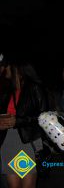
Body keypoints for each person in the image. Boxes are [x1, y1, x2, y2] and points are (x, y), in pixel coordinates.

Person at [0, 60, 48, 188]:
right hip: (8, 141)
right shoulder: (6, 90)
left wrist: (18, 121)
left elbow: (44, 117)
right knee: (13, 186)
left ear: (17, 68)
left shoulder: (33, 88)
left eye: (7, 66)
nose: (4, 69)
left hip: (25, 141)